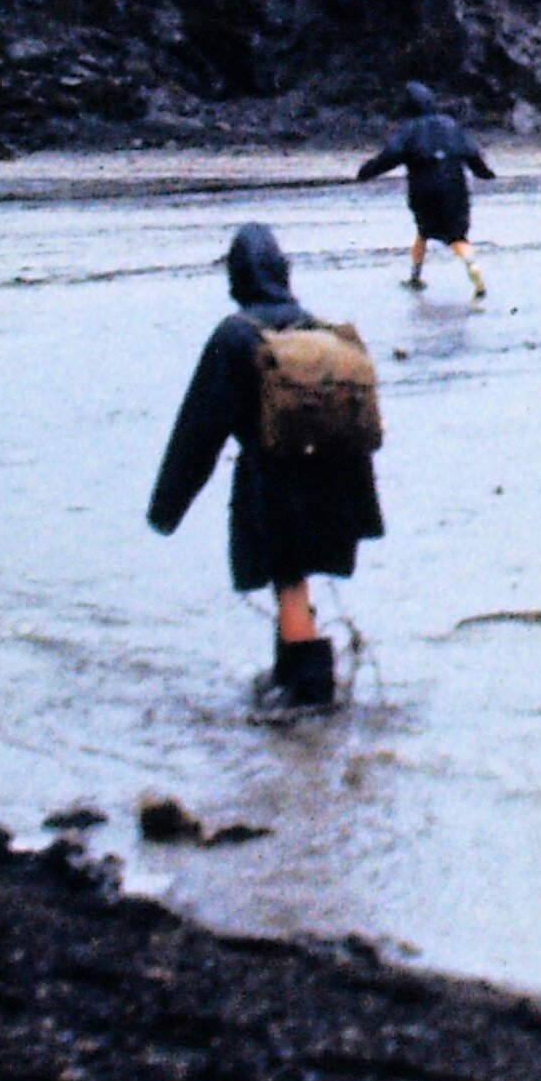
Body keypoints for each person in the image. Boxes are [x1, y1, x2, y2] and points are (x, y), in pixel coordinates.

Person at [147, 224, 384, 715]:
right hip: (337, 480)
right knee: (297, 582)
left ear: (237, 278)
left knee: (289, 579)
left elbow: (198, 430)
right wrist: (364, 509)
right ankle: (295, 680)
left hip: (274, 481)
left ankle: (308, 696)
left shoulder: (235, 336)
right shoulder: (319, 329)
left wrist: (166, 510)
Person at [355, 83, 495, 298]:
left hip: (424, 189)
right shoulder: (451, 125)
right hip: (454, 188)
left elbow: (389, 156)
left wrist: (365, 172)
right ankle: (471, 266)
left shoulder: (410, 129)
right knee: (456, 236)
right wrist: (485, 173)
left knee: (424, 230)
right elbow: (473, 154)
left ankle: (415, 276)